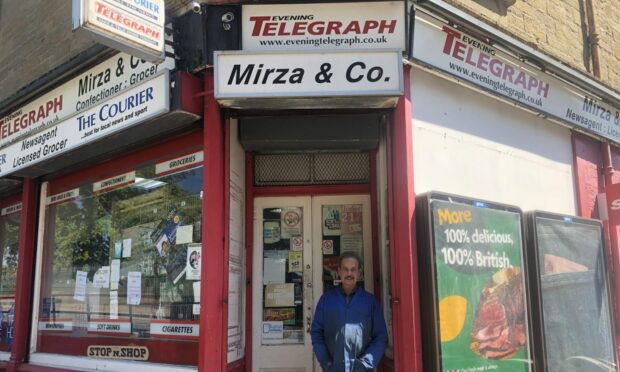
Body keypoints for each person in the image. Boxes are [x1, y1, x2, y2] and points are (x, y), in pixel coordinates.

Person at [311, 252, 388, 371]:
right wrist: (326, 363)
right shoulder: (326, 300)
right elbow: (316, 333)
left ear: (359, 272)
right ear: (339, 271)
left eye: (353, 270)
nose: (349, 273)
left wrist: (366, 364)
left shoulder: (370, 302)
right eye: (345, 269)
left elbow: (380, 336)